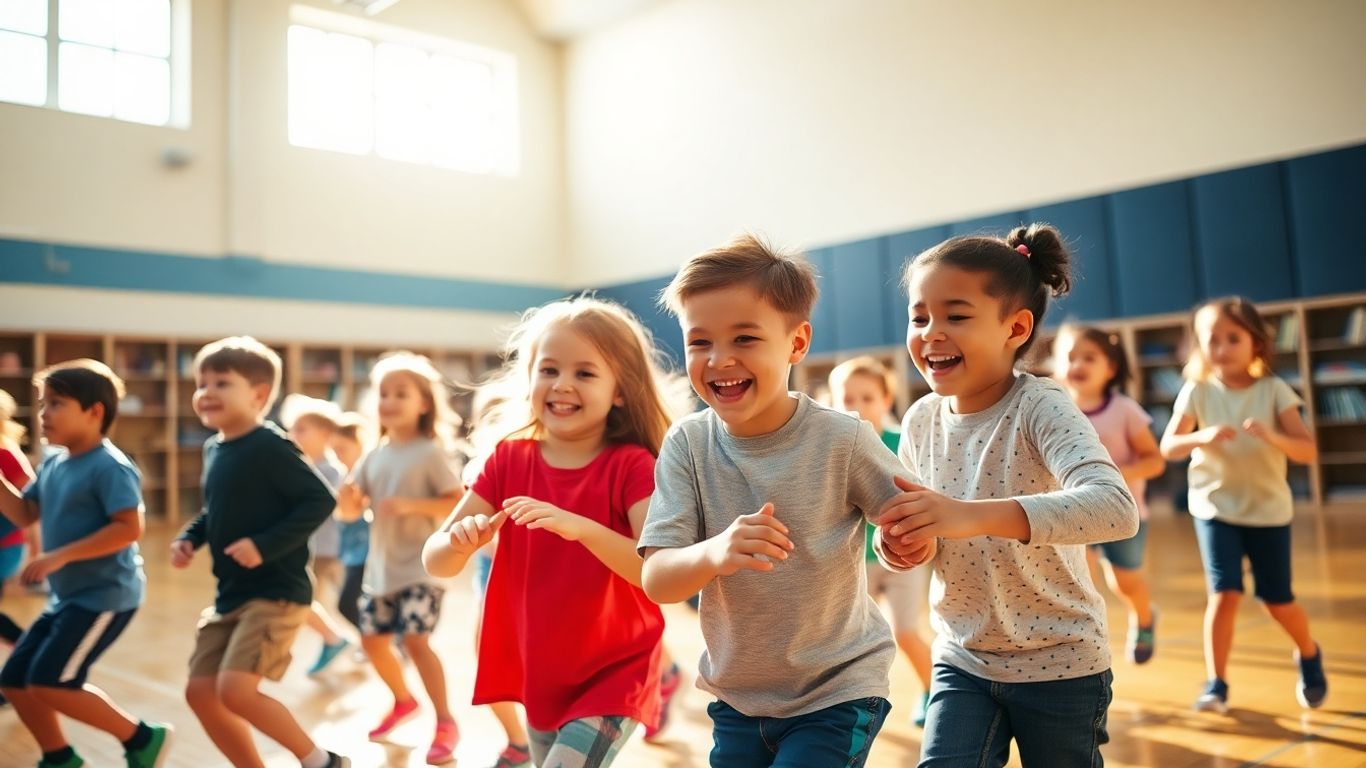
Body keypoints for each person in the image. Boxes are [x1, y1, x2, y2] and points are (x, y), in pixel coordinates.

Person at [639, 235, 911, 768]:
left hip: (837, 689)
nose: (720, 360)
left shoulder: (844, 439)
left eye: (744, 338)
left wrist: (909, 542)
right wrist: (714, 552)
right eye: (700, 342)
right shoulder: (687, 445)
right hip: (737, 698)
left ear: (797, 342)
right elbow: (658, 580)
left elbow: (912, 520)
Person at [883, 225, 1139, 768]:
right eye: (919, 316)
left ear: (1016, 327)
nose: (931, 332)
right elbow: (927, 532)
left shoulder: (1040, 407)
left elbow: (1115, 508)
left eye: (955, 315)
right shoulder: (920, 420)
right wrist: (905, 545)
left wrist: (966, 516)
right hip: (962, 658)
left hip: (1062, 665)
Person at [423, 297, 676, 768]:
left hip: (614, 672)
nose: (562, 385)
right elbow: (435, 558)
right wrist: (458, 544)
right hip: (539, 671)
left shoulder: (633, 467)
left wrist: (581, 528)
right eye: (549, 369)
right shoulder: (508, 460)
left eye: (585, 373)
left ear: (620, 390)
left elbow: (656, 573)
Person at [170, 337, 347, 768]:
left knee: (235, 690)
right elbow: (217, 510)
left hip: (277, 591)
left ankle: (321, 761)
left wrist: (263, 546)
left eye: (221, 383)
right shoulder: (215, 449)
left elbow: (319, 501)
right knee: (200, 692)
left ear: (260, 395)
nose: (207, 392)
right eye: (202, 382)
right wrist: (191, 537)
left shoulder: (271, 445)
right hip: (231, 593)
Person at [0, 360, 171, 768]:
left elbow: (129, 528)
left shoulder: (109, 466)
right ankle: (59, 757)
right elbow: (26, 514)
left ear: (95, 412)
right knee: (15, 681)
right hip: (68, 596)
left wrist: (58, 556)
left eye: (56, 404)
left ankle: (143, 738)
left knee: (50, 682)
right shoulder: (55, 463)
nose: (43, 415)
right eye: (42, 405)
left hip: (105, 597)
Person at [1159, 297, 1326, 713]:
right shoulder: (1196, 390)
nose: (1222, 347)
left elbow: (1306, 451)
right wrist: (1202, 436)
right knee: (1225, 593)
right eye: (1212, 339)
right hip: (1215, 508)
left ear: (1255, 343)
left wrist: (1274, 438)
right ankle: (1217, 682)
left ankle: (1308, 652)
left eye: (1233, 338)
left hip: (1268, 511)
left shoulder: (1274, 390)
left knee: (1277, 601)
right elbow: (1169, 447)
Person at [336, 352, 462, 764]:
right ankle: (403, 700)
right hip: (382, 569)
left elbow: (455, 502)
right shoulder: (374, 455)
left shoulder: (430, 452)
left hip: (423, 568)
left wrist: (409, 505)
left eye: (400, 394)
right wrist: (348, 499)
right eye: (383, 393)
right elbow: (351, 511)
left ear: (423, 403)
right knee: (372, 641)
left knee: (415, 640)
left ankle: (445, 721)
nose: (388, 401)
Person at [829, 356, 935, 726]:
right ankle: (842, 710)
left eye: (867, 397)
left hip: (904, 560)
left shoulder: (901, 443)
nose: (856, 407)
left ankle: (931, 692)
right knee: (846, 642)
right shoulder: (833, 452)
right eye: (847, 399)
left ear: (886, 400)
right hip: (855, 563)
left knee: (905, 632)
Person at [1053, 325, 1165, 664]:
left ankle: (1145, 617)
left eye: (1089, 357)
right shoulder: (1054, 409)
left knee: (1124, 581)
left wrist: (1120, 475)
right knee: (1080, 580)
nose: (1079, 365)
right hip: (1074, 514)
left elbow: (1154, 460)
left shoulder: (1125, 410)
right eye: (1071, 357)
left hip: (1122, 513)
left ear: (1111, 368)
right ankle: (1086, 641)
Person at [279, 394, 354, 675]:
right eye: (292, 429)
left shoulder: (332, 470)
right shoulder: (302, 467)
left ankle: (352, 641)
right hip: (310, 549)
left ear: (324, 434)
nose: (292, 435)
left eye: (300, 429)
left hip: (330, 550)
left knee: (336, 602)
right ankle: (337, 639)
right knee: (302, 599)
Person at [329, 413, 369, 636]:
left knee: (347, 604)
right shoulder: (342, 477)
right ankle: (374, 643)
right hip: (349, 553)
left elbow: (351, 514)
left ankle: (378, 642)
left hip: (367, 553)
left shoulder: (363, 476)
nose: (337, 455)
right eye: (333, 449)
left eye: (342, 449)